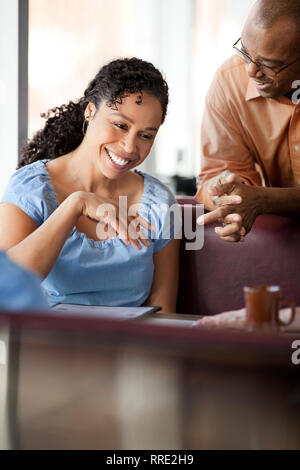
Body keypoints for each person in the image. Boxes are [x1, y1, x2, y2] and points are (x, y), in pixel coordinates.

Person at [0, 58, 180, 312]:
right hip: (44, 346)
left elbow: (164, 312)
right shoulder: (31, 189)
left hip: (128, 349)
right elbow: (6, 285)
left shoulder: (159, 203)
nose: (129, 147)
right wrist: (75, 205)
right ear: (90, 111)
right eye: (120, 125)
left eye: (145, 135)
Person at [196, 0, 300, 243]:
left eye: (269, 64)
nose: (251, 71)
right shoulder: (229, 82)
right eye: (245, 51)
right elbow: (217, 172)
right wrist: (230, 196)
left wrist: (263, 199)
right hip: (281, 245)